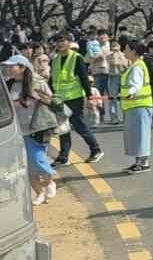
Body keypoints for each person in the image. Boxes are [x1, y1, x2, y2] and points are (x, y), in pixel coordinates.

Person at [4, 54, 60, 204]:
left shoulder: (37, 81)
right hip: (17, 129)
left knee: (37, 158)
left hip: (37, 127)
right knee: (26, 165)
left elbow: (52, 100)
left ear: (22, 67)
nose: (9, 69)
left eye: (12, 66)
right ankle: (39, 193)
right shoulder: (8, 84)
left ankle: (50, 182)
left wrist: (37, 97)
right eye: (8, 66)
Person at [49, 32, 103, 165]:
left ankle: (96, 150)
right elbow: (53, 79)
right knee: (63, 128)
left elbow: (84, 78)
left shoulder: (76, 58)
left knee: (79, 125)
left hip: (74, 98)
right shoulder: (55, 59)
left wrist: (90, 96)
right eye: (57, 41)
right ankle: (63, 156)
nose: (60, 43)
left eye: (62, 40)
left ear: (69, 42)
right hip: (59, 99)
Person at [118, 36, 153, 173]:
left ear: (133, 51)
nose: (123, 51)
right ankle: (139, 162)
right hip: (135, 106)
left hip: (139, 105)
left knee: (141, 135)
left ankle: (143, 163)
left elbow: (136, 84)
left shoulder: (137, 66)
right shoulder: (134, 65)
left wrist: (131, 92)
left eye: (126, 49)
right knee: (137, 135)